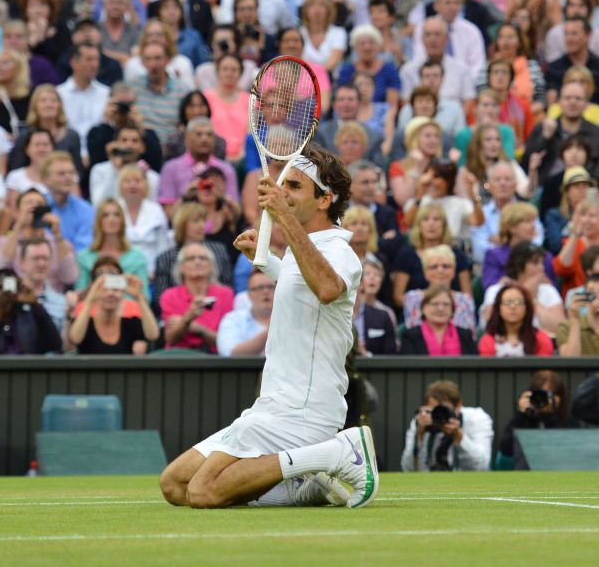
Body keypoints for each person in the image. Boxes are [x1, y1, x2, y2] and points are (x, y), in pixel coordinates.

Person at [159, 146, 379, 510]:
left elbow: (326, 290)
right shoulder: (301, 249)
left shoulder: (339, 251)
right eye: (282, 184)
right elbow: (302, 293)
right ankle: (300, 487)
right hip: (274, 404)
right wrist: (269, 265)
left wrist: (282, 217)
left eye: (294, 186)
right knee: (174, 485)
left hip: (305, 410)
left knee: (203, 493)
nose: (283, 192)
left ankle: (339, 452)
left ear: (325, 199)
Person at [68, 257, 159, 355]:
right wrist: (90, 298)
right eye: (104, 289)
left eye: (115, 289)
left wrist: (139, 297)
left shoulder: (129, 323)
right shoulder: (86, 322)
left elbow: (153, 335)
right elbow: (75, 339)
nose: (110, 293)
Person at [400, 379, 492, 472]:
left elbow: (482, 466)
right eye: (435, 410)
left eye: (444, 410)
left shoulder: (476, 419)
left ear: (459, 405)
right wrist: (419, 438)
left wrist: (460, 438)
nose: (440, 415)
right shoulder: (422, 421)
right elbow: (408, 469)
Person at [0, 269, 60, 355]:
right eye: (0, 288)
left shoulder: (31, 320)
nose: (6, 293)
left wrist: (35, 305)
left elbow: (55, 344)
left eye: (13, 287)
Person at [159, 241, 234, 352]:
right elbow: (170, 339)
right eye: (191, 258)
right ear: (181, 267)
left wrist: (198, 329)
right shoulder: (169, 296)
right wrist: (188, 318)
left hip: (215, 360)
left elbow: (228, 341)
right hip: (179, 358)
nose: (197, 262)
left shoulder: (226, 295)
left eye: (203, 258)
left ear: (211, 266)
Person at [496, 370, 578, 470]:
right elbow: (506, 452)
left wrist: (550, 416)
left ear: (560, 397)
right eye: (542, 394)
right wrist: (522, 416)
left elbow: (567, 455)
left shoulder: (570, 423)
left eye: (552, 394)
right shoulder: (524, 421)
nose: (546, 400)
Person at [74, 198, 149, 297]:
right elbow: (79, 296)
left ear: (122, 221)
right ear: (98, 221)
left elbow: (146, 297)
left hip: (129, 309)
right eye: (105, 215)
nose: (111, 219)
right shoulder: (84, 257)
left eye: (116, 215)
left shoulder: (137, 258)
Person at [402, 245, 476, 333]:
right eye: (433, 267)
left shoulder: (465, 300)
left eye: (446, 266)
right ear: (425, 272)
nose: (440, 270)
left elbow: (469, 337)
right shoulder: (413, 298)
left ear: (453, 271)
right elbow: (413, 335)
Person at [119, 165, 171, 275]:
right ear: (120, 186)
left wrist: (156, 272)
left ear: (146, 185)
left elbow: (163, 247)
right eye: (127, 181)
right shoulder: (115, 209)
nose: (133, 185)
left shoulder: (156, 210)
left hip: (152, 272)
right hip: (120, 270)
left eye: (138, 181)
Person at [479, 283, 554, 357]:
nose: (513, 306)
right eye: (507, 302)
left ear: (526, 308)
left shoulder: (541, 339)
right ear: (499, 309)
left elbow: (545, 368)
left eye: (518, 302)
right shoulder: (487, 340)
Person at [400, 285, 478, 356]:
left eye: (446, 304)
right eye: (435, 304)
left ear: (452, 309)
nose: (441, 308)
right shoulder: (410, 336)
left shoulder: (465, 336)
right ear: (423, 308)